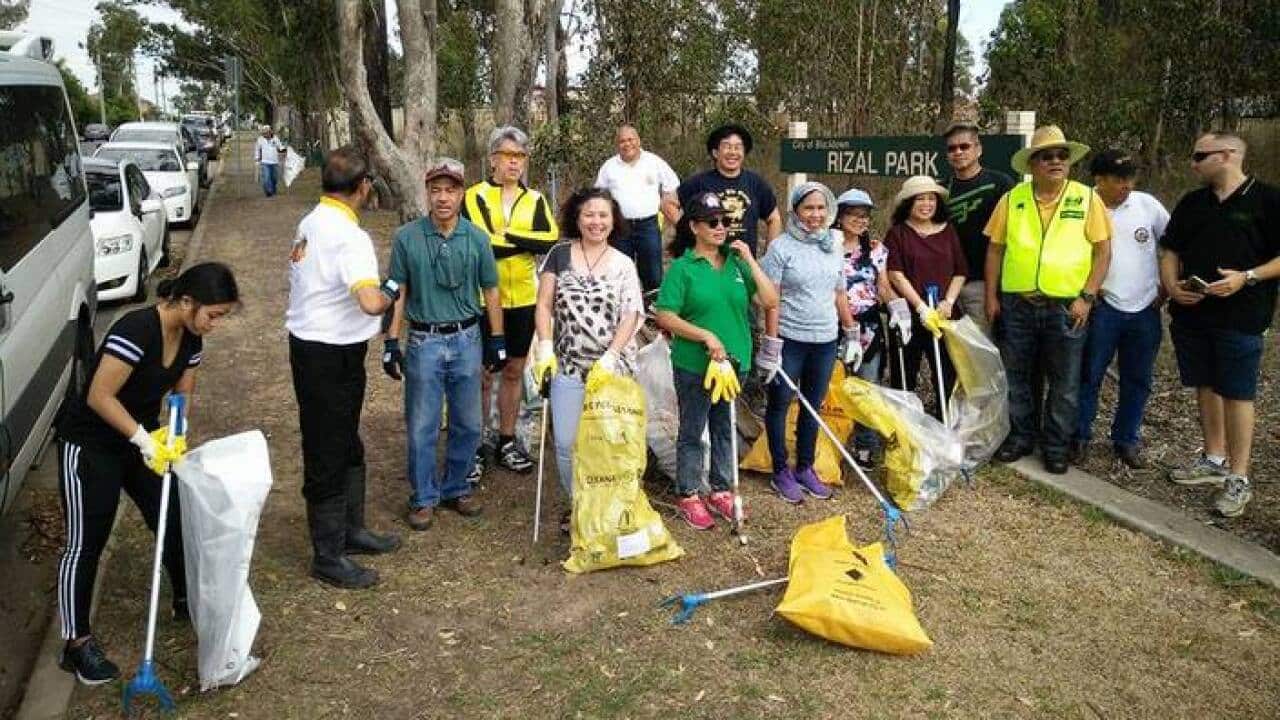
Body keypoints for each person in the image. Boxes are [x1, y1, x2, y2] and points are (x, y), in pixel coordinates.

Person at [54, 263, 239, 685]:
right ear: (187, 301)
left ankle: (182, 597)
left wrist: (176, 434)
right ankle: (76, 644)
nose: (214, 325)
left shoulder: (192, 337)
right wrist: (144, 440)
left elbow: (182, 392)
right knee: (86, 541)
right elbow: (99, 396)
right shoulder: (135, 330)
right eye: (213, 314)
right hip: (90, 444)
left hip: (141, 439)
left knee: (172, 514)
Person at [287, 147, 403, 589]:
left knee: (346, 442)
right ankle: (328, 553)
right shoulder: (349, 236)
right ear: (364, 187)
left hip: (319, 347)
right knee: (326, 450)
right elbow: (372, 301)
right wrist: (393, 283)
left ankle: (350, 531)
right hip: (328, 353)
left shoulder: (311, 221)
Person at [1160, 132, 1280, 517]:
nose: (1192, 163)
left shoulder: (1267, 200)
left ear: (1227, 156)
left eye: (1199, 156)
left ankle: (1238, 477)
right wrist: (1171, 288)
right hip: (1193, 313)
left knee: (1238, 393)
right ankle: (1213, 458)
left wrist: (1246, 277)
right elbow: (1171, 249)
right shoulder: (1193, 202)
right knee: (1205, 383)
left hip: (1242, 315)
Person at [385, 158, 506, 531]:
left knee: (468, 422)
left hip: (468, 337)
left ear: (461, 194)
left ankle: (457, 486)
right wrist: (391, 341)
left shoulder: (477, 238)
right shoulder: (407, 238)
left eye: (450, 190)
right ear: (427, 193)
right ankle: (423, 497)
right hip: (425, 340)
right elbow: (398, 291)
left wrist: (496, 338)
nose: (442, 198)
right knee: (422, 423)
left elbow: (490, 289)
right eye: (435, 190)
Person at [985, 125, 1112, 474]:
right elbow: (995, 250)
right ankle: (1021, 436)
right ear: (1033, 164)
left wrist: (1087, 296)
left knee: (1065, 381)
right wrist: (991, 296)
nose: (1055, 161)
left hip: (1067, 306)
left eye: (1062, 156)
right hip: (1017, 304)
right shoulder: (1013, 199)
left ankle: (1055, 446)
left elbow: (1103, 253)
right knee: (1017, 376)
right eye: (1046, 156)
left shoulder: (1087, 198)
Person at [655, 192, 778, 529]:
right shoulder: (683, 268)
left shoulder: (736, 264)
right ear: (694, 227)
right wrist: (705, 336)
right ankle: (689, 493)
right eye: (712, 222)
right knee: (694, 428)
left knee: (724, 426)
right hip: (695, 364)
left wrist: (751, 260)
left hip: (733, 363)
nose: (721, 227)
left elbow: (769, 300)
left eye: (725, 221)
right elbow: (665, 316)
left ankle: (721, 489)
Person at [531, 188, 645, 532]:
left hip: (612, 371)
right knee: (567, 443)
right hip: (567, 367)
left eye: (604, 216)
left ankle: (611, 509)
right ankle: (578, 504)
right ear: (577, 219)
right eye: (589, 215)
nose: (597, 222)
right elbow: (544, 304)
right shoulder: (559, 254)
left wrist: (611, 356)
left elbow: (631, 313)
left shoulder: (623, 263)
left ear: (614, 221)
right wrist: (545, 347)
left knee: (610, 442)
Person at [462, 126, 559, 478]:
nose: (514, 163)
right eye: (507, 156)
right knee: (482, 373)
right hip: (481, 297)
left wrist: (509, 237)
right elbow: (480, 241)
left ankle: (506, 439)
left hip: (523, 297)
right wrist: (521, 242)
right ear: (493, 160)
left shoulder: (535, 200)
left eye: (520, 157)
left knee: (515, 370)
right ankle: (474, 444)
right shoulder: (473, 195)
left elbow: (549, 239)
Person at [756, 182, 853, 503]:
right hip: (790, 339)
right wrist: (771, 344)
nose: (815, 214)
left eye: (821, 208)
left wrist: (850, 330)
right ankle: (781, 469)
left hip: (825, 340)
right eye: (808, 208)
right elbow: (772, 299)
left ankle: (805, 467)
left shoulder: (833, 245)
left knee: (813, 405)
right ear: (796, 210)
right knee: (780, 403)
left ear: (829, 211)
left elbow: (839, 293)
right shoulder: (781, 248)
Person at [1071, 150, 1169, 469]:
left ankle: (1125, 439)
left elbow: (1172, 246)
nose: (1127, 184)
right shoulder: (1083, 204)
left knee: (1137, 379)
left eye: (1131, 177)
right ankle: (1080, 436)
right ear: (1099, 180)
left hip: (1144, 308)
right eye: (1119, 178)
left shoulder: (1147, 205)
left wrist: (1166, 286)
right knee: (1089, 375)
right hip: (1102, 306)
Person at [884, 175, 967, 420]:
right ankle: (905, 427)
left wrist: (948, 302)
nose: (926, 204)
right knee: (904, 373)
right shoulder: (898, 233)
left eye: (931, 198)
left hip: (943, 316)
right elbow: (895, 274)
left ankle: (945, 425)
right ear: (908, 203)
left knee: (946, 373)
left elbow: (960, 271)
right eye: (920, 199)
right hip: (908, 316)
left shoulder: (949, 231)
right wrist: (921, 308)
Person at [835, 188, 895, 466]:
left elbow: (882, 286)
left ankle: (865, 446)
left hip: (868, 328)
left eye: (864, 215)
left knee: (867, 388)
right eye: (852, 214)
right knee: (832, 385)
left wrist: (898, 308)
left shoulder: (875, 250)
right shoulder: (827, 246)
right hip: (832, 326)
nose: (859, 220)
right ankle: (830, 443)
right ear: (840, 215)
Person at [941, 122, 1015, 335]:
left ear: (978, 149)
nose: (958, 152)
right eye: (952, 148)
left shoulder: (1001, 184)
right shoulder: (940, 190)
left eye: (964, 146)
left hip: (984, 283)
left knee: (984, 350)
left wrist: (995, 292)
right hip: (948, 283)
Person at [593, 125, 681, 291]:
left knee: (653, 275)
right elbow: (599, 195)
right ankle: (622, 312)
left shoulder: (654, 162)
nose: (627, 144)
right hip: (620, 228)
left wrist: (669, 206)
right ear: (617, 144)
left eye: (630, 139)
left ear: (638, 141)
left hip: (648, 226)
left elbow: (672, 184)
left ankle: (651, 312)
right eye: (622, 141)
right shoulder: (608, 167)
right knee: (618, 274)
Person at [676, 124, 782, 257]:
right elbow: (669, 203)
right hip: (706, 262)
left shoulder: (756, 183)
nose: (733, 152)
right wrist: (687, 232)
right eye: (727, 146)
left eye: (738, 147)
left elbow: (774, 219)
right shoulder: (698, 183)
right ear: (715, 153)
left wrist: (769, 257)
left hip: (744, 263)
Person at [255, 125, 286, 197]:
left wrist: (283, 149)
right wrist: (257, 159)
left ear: (270, 132)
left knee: (274, 178)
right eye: (264, 133)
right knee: (266, 178)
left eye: (267, 132)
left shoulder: (275, 139)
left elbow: (280, 146)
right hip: (265, 162)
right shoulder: (260, 140)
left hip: (274, 162)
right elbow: (257, 150)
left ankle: (273, 188)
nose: (265, 134)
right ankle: (268, 191)